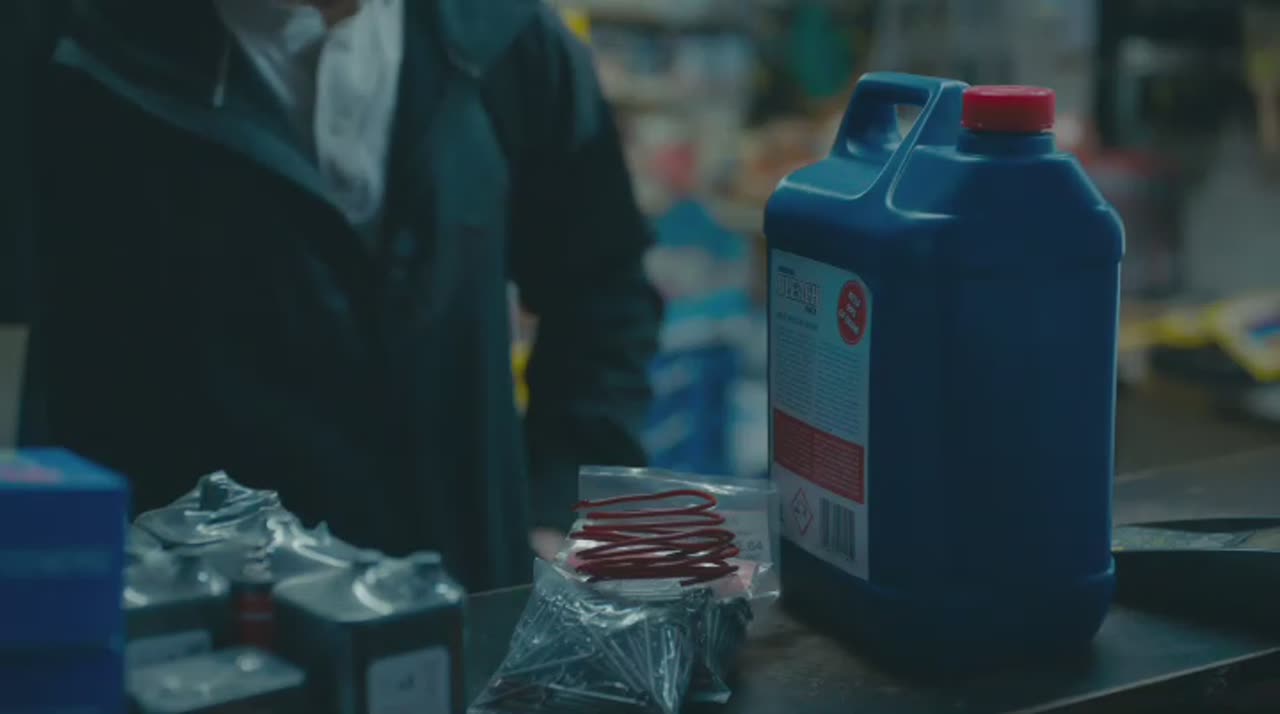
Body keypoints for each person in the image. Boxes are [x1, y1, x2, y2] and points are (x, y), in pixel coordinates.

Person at [30, 0, 661, 591]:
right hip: (202, 621)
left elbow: (604, 288)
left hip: (464, 602)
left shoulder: (499, 34)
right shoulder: (88, 51)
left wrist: (562, 502)